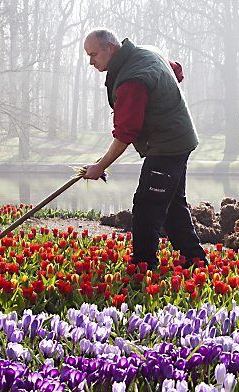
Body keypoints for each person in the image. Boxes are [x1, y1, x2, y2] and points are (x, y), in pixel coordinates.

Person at [82, 28, 208, 268]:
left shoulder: (132, 80)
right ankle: (194, 259)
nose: (91, 62)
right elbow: (176, 71)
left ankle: (143, 265)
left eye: (94, 55)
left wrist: (100, 166)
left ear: (110, 48)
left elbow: (125, 133)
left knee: (147, 205)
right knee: (171, 203)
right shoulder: (147, 52)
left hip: (167, 145)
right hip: (179, 138)